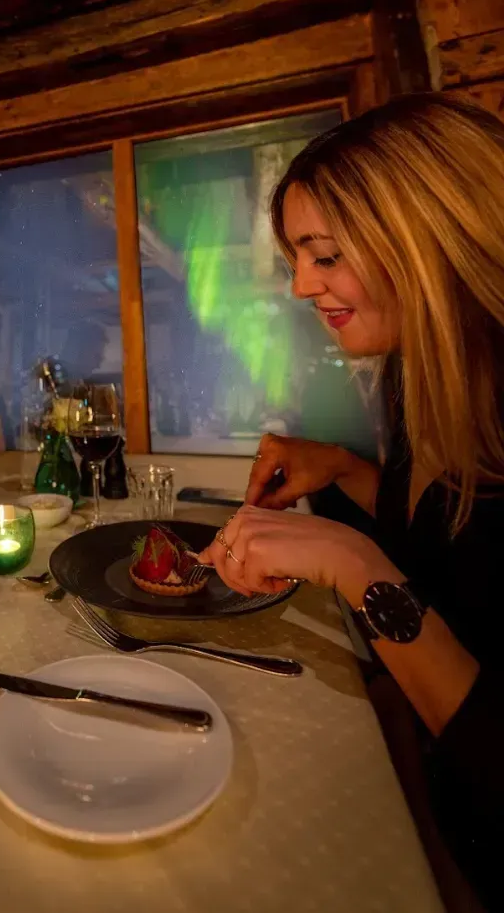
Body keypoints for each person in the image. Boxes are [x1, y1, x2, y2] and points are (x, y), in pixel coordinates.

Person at [199, 93, 504, 908]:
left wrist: (350, 561)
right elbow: (456, 540)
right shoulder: (423, 375)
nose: (302, 286)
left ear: (428, 239)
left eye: (324, 255)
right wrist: (340, 469)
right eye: (299, 257)